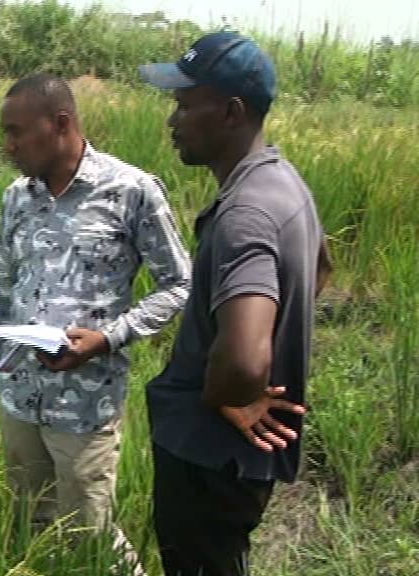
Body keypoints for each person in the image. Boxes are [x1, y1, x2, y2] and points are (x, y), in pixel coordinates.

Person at [0, 73, 192, 561]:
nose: (7, 146)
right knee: (31, 530)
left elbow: (180, 285)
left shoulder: (131, 191)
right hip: (20, 400)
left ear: (61, 124)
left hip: (85, 407)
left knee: (90, 540)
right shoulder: (16, 198)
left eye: (16, 132)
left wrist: (107, 338)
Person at [139, 32, 333, 575]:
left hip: (207, 458)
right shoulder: (284, 182)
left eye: (183, 104)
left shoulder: (244, 214)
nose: (172, 121)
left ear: (231, 112)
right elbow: (320, 268)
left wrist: (231, 392)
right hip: (235, 467)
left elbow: (246, 361)